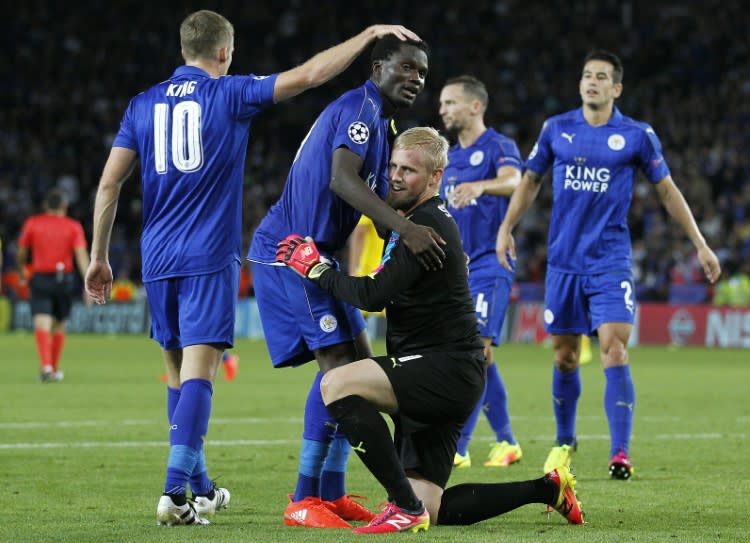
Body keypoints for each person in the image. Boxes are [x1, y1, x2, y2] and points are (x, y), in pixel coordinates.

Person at [83, 9, 422, 526]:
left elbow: (109, 185)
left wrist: (99, 256)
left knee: (179, 373)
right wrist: (369, 33)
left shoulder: (141, 104)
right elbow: (308, 76)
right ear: (225, 53)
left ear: (183, 51)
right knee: (209, 371)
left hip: (156, 253)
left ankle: (204, 484)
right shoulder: (229, 93)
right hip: (214, 252)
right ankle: (180, 492)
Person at [276, 127, 584, 533]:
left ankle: (402, 506)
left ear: (436, 178)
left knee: (336, 384)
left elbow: (372, 294)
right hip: (447, 372)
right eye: (393, 166)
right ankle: (548, 489)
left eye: (409, 170)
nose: (397, 176)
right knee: (434, 505)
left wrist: (317, 269)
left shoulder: (425, 229)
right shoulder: (409, 221)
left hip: (442, 370)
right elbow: (368, 202)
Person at [247, 35, 444, 529]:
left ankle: (331, 493)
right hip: (293, 251)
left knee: (356, 364)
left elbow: (379, 207)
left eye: (422, 73)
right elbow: (342, 180)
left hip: (320, 253)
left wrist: (422, 229)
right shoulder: (360, 106)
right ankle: (303, 497)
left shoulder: (383, 124)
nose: (415, 79)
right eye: (406, 68)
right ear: (378, 67)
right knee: (336, 369)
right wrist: (406, 229)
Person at [496, 50, 721, 480]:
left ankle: (620, 453)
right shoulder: (556, 129)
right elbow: (530, 182)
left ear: (616, 87)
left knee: (614, 349)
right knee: (563, 357)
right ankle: (565, 440)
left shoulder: (637, 135)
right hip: (563, 263)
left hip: (610, 262)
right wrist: (506, 227)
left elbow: (668, 192)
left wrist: (701, 244)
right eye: (586, 75)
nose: (591, 82)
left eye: (601, 77)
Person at [438, 75, 523, 469]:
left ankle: (458, 446)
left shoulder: (499, 147)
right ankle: (506, 441)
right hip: (458, 270)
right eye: (442, 104)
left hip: (492, 261)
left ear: (475, 106)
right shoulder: (448, 159)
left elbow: (515, 181)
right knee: (481, 357)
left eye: (451, 103)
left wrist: (482, 186)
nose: (443, 110)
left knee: (475, 350)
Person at [17, 188, 89, 382]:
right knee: (58, 325)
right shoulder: (73, 226)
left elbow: (22, 251)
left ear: (45, 206)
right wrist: (87, 282)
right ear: (64, 206)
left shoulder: (32, 223)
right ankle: (53, 368)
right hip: (63, 279)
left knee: (42, 322)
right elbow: (80, 255)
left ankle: (47, 367)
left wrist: (22, 268)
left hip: (40, 277)